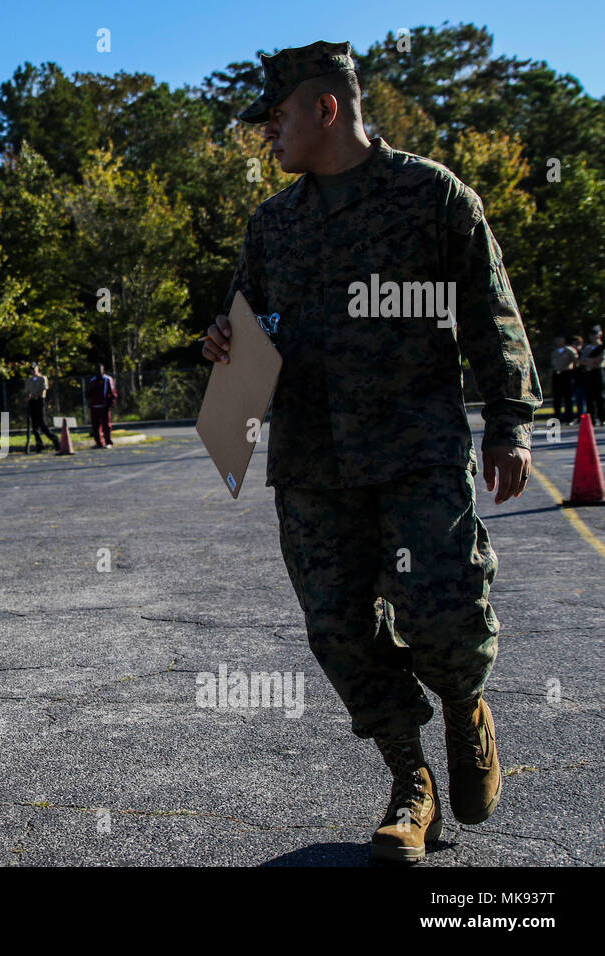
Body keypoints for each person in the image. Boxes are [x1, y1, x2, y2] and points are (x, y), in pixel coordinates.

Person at [203, 41, 540, 864]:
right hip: (314, 464)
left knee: (445, 620)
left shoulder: (430, 195)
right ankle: (409, 783)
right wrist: (225, 342)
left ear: (326, 109)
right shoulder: (273, 222)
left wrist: (508, 421)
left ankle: (466, 709)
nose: (268, 136)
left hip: (415, 451)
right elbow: (249, 320)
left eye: (277, 118)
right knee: (340, 630)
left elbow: (490, 313)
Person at [24, 364, 59, 453]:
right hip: (32, 402)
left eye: (34, 369)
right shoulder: (29, 380)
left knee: (42, 424)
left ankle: (55, 440)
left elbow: (43, 390)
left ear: (38, 369)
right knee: (34, 426)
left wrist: (34, 395)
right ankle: (39, 445)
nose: (33, 371)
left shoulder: (42, 378)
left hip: (39, 401)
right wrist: (28, 398)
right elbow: (27, 391)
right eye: (31, 370)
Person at [86, 363, 117, 448]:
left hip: (104, 406)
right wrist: (90, 403)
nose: (98, 371)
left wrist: (111, 403)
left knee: (106, 425)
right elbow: (88, 393)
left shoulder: (107, 379)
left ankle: (108, 442)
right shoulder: (92, 380)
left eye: (100, 369)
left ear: (103, 370)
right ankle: (99, 443)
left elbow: (112, 392)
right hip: (94, 406)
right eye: (97, 369)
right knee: (95, 426)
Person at [578, 325, 604, 425]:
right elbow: (581, 361)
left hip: (598, 372)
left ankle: (602, 418)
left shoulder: (601, 347)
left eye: (595, 334)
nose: (593, 337)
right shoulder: (587, 348)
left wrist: (588, 361)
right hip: (588, 373)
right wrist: (590, 361)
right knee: (589, 397)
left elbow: (599, 361)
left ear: (600, 335)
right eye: (591, 335)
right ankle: (591, 419)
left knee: (600, 397)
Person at [549, 334, 577, 423]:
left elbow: (576, 361)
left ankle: (569, 418)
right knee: (557, 397)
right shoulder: (554, 351)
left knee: (568, 397)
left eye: (560, 338)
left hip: (567, 373)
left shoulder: (569, 350)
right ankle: (557, 418)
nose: (558, 341)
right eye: (557, 339)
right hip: (557, 374)